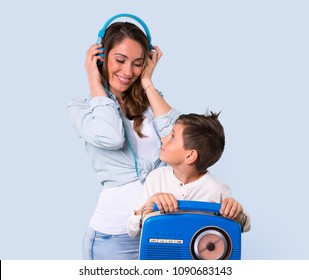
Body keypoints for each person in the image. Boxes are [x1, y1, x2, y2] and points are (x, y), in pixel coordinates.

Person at [68, 19, 180, 260]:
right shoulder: (82, 109)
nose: (128, 72)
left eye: (137, 64)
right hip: (113, 238)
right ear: (101, 57)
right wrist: (94, 81)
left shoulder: (151, 99)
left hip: (161, 229)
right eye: (119, 60)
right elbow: (112, 137)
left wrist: (147, 82)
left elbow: (182, 141)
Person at [127, 112, 251, 239]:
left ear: (190, 156)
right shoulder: (156, 178)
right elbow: (132, 230)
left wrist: (236, 213)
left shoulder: (217, 189)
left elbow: (245, 225)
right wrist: (149, 205)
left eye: (173, 137)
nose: (163, 139)